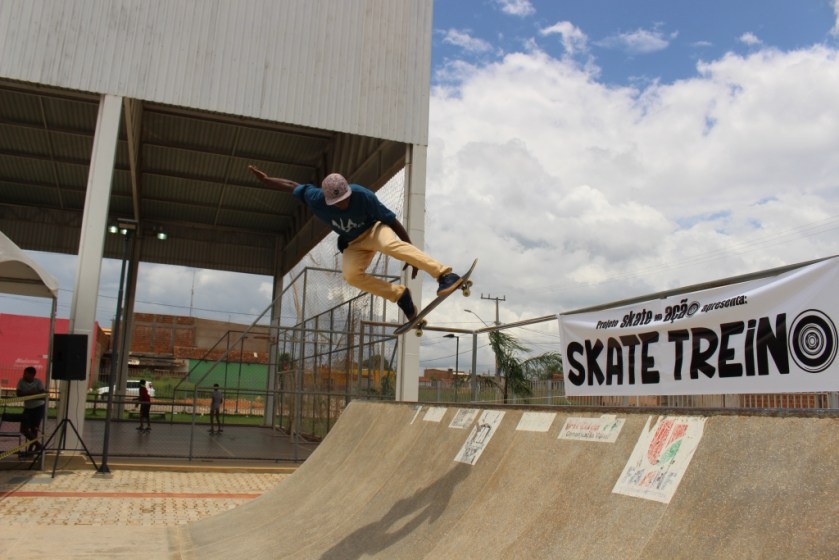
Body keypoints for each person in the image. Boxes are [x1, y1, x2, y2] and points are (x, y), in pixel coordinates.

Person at [248, 166, 462, 320]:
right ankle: (400, 295)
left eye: (346, 200)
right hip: (353, 243)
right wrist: (267, 181)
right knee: (351, 276)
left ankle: (445, 275)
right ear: (327, 199)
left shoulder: (363, 195)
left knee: (389, 246)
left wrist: (412, 255)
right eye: (338, 203)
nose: (343, 205)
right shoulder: (314, 198)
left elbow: (392, 221)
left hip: (374, 230)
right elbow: (292, 185)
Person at [16, 366, 46, 453]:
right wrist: (32, 394)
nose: (23, 375)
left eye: (25, 373)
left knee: (34, 429)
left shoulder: (38, 382)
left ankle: (31, 450)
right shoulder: (21, 381)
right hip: (28, 408)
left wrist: (28, 394)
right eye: (24, 373)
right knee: (24, 430)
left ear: (32, 375)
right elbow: (18, 394)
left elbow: (42, 394)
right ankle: (38, 445)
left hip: (38, 408)